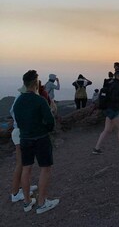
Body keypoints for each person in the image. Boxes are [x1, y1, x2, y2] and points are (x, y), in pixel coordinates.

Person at [13, 70, 59, 214]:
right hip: (40, 138)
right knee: (45, 168)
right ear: (35, 83)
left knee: (26, 168)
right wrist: (46, 129)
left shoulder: (18, 101)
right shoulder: (39, 100)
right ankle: (42, 203)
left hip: (24, 139)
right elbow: (50, 120)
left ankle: (27, 202)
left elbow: (18, 122)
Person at [9, 85, 38, 203]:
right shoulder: (23, 99)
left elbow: (12, 112)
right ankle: (15, 193)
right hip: (19, 132)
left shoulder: (19, 98)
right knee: (20, 163)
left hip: (19, 131)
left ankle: (23, 186)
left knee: (25, 162)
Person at [92, 69, 119, 154]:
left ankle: (96, 149)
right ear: (118, 76)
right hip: (112, 110)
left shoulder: (112, 83)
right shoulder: (116, 85)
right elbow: (114, 98)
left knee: (107, 130)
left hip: (108, 109)